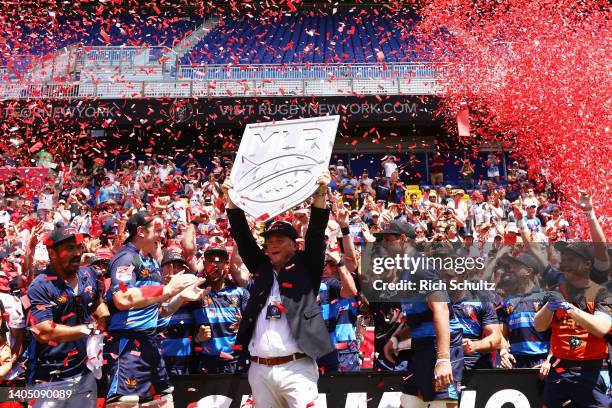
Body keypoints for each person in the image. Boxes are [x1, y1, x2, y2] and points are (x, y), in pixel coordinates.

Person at [223, 170, 332, 408]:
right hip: (260, 369)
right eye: (269, 241)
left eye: (279, 240)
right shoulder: (261, 268)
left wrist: (321, 194)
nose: (272, 244)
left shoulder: (307, 268)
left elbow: (315, 235)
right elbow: (243, 237)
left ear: (294, 246)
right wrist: (231, 200)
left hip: (297, 368)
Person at [104, 212, 200, 407]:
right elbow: (123, 299)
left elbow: (160, 312)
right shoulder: (126, 258)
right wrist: (168, 289)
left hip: (152, 344)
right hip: (129, 344)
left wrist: (180, 297)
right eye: (157, 230)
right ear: (140, 231)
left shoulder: (151, 262)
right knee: (126, 404)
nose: (162, 234)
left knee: (164, 402)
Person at [381, 225, 462, 407]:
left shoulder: (421, 266)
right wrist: (396, 338)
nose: (384, 244)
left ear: (403, 239)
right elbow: (419, 315)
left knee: (442, 405)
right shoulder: (406, 269)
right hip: (421, 346)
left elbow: (441, 310)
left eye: (388, 239)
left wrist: (443, 359)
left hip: (436, 346)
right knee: (409, 402)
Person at [26, 227, 105, 408]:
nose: (77, 253)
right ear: (52, 253)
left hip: (85, 374)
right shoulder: (40, 287)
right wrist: (87, 328)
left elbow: (97, 301)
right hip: (50, 380)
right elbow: (44, 331)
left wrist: (103, 315)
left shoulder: (89, 274)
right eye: (70, 248)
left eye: (79, 247)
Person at [534, 242, 612, 407]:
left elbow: (603, 328)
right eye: (563, 260)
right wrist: (548, 307)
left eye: (571, 260)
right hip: (559, 371)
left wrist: (569, 309)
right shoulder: (556, 291)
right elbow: (539, 326)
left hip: (591, 371)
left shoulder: (600, 293)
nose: (564, 264)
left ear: (587, 265)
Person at [192, 246, 249, 374]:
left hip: (235, 362)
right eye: (210, 261)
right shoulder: (195, 293)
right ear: (204, 264)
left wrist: (244, 326)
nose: (214, 265)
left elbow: (254, 326)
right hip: (204, 363)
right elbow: (184, 330)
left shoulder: (241, 292)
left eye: (219, 261)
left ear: (227, 264)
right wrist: (197, 338)